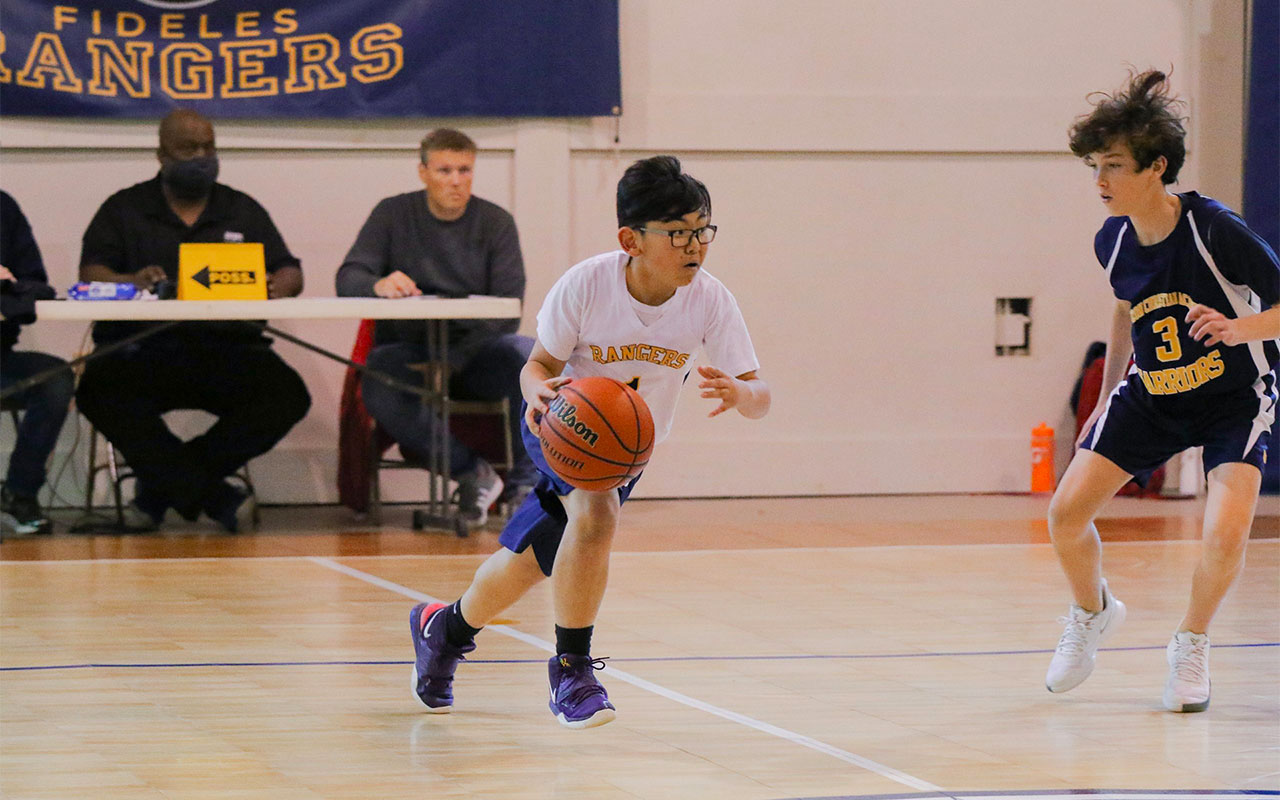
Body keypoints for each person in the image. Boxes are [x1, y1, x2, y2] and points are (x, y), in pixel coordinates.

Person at [408, 155, 771, 728]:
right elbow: (538, 365)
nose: (695, 245)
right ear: (631, 238)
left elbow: (760, 395)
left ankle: (445, 629)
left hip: (627, 449)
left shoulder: (710, 299)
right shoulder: (586, 284)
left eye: (703, 230)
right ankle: (572, 672)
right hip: (562, 426)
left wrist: (740, 394)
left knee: (529, 566)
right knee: (597, 516)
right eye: (678, 233)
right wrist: (536, 393)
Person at [1045, 71, 1279, 712]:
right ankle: (1092, 612)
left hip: (1234, 394)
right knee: (1065, 517)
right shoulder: (1112, 238)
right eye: (1095, 165)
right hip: (1153, 391)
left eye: (1113, 165)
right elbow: (1127, 309)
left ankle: (1192, 642)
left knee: (1224, 536)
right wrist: (1104, 392)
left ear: (1155, 167)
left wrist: (1239, 328)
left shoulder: (1214, 230)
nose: (1100, 180)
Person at [75, 109, 311, 533]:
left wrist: (280, 284)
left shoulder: (241, 209)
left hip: (229, 350)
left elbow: (289, 268)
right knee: (97, 390)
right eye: (189, 148)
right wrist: (132, 280)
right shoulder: (124, 208)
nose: (202, 157)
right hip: (142, 350)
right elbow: (92, 273)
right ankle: (213, 496)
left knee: (287, 396)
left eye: (209, 147)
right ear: (162, 155)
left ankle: (161, 489)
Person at [336, 128, 534, 527]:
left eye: (465, 170)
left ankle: (527, 487)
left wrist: (455, 360)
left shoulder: (496, 222)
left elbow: (508, 308)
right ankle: (471, 472)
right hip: (408, 348)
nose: (456, 180)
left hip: (475, 351)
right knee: (377, 383)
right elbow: (349, 276)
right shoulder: (392, 214)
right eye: (445, 170)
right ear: (423, 171)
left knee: (528, 357)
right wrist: (377, 284)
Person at [0, 190, 74, 535]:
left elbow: (37, 285)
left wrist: (8, 286)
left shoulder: (3, 208)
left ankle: (19, 492)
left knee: (54, 378)